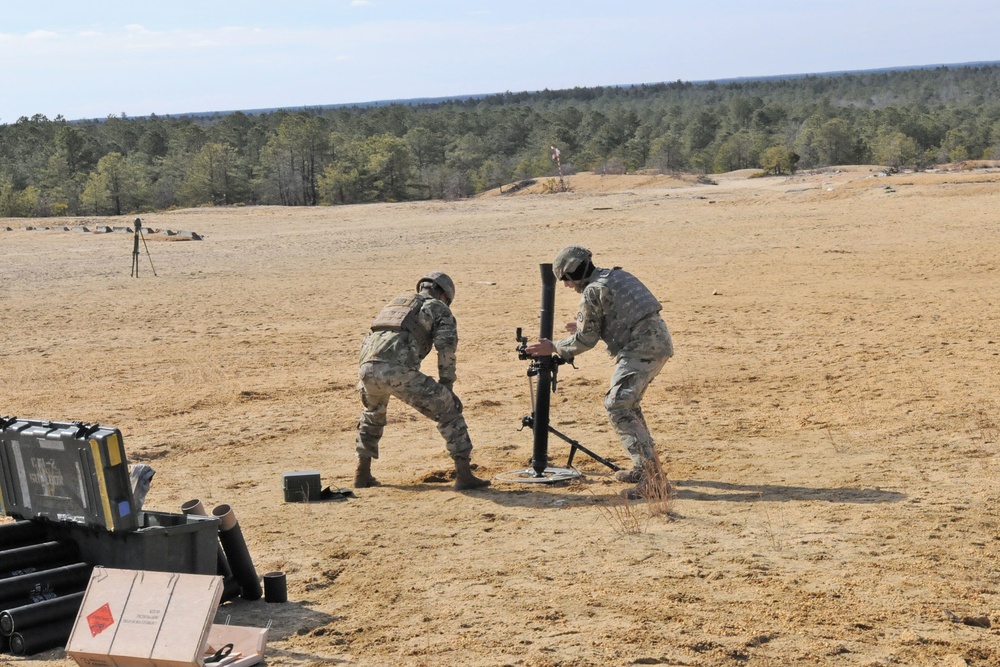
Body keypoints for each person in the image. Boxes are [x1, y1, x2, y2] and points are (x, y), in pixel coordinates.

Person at [524, 246, 673, 499]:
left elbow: (585, 340)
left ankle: (652, 480)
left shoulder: (593, 290)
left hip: (643, 348)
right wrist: (584, 324)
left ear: (571, 273)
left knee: (617, 404)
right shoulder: (615, 276)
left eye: (565, 280)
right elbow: (621, 315)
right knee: (629, 404)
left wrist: (553, 347)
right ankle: (644, 467)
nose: (566, 286)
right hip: (656, 343)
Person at [354, 271, 491, 491]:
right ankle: (464, 475)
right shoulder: (439, 308)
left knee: (372, 414)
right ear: (444, 295)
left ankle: (362, 473)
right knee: (450, 411)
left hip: (367, 369)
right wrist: (447, 387)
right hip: (398, 370)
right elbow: (446, 350)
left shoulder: (394, 305)